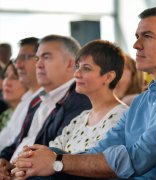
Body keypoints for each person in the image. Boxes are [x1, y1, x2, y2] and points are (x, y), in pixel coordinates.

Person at [12, 7, 156, 179]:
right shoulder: (142, 100)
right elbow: (101, 149)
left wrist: (57, 162)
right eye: (137, 36)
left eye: (147, 36)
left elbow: (138, 157)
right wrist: (41, 161)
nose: (136, 45)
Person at [0, 34, 92, 179]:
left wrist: (16, 170)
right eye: (37, 58)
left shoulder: (80, 100)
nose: (38, 64)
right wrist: (4, 162)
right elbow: (21, 140)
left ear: (69, 64)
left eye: (46, 57)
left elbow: (55, 155)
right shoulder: (40, 99)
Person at [49, 40, 128, 154]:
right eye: (77, 67)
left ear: (108, 77)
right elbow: (50, 151)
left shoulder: (122, 117)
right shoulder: (81, 118)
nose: (76, 74)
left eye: (86, 68)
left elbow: (102, 163)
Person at [0, 37, 42, 152]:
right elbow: (6, 139)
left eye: (27, 57)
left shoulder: (43, 101)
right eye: (5, 77)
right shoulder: (26, 101)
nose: (19, 64)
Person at [0, 61, 27, 130]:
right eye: (5, 76)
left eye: (15, 78)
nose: (6, 82)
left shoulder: (32, 117)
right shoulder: (5, 115)